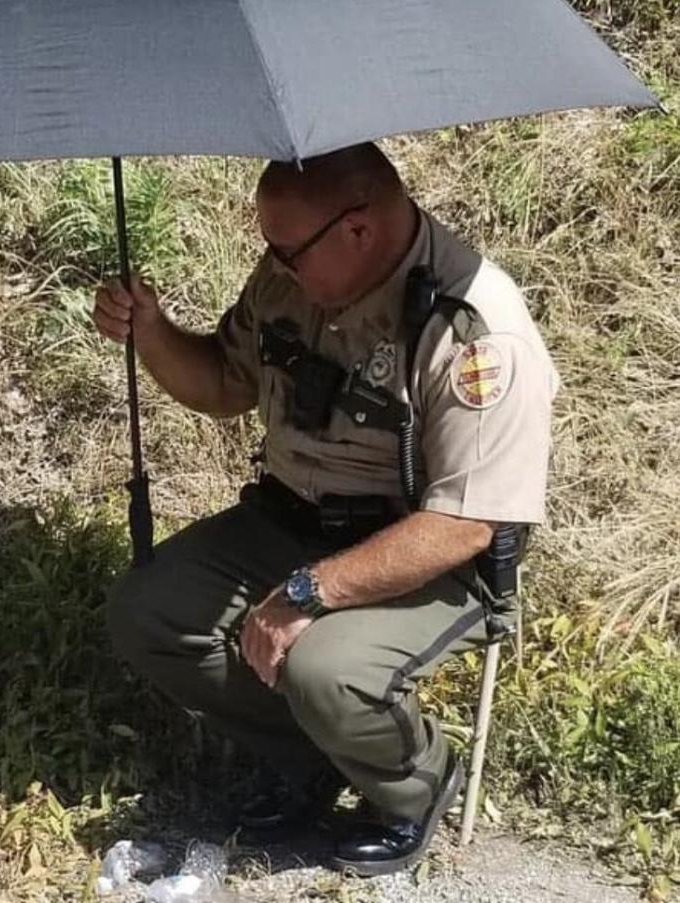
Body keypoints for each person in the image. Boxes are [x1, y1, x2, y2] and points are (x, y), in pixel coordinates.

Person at [93, 143, 558, 876]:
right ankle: (312, 755)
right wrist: (150, 331)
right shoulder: (294, 279)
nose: (274, 265)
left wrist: (308, 593)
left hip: (425, 557)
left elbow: (468, 522)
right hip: (288, 521)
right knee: (149, 610)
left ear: (359, 230)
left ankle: (415, 785)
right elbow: (223, 383)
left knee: (322, 666)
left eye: (287, 250)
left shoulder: (474, 328)